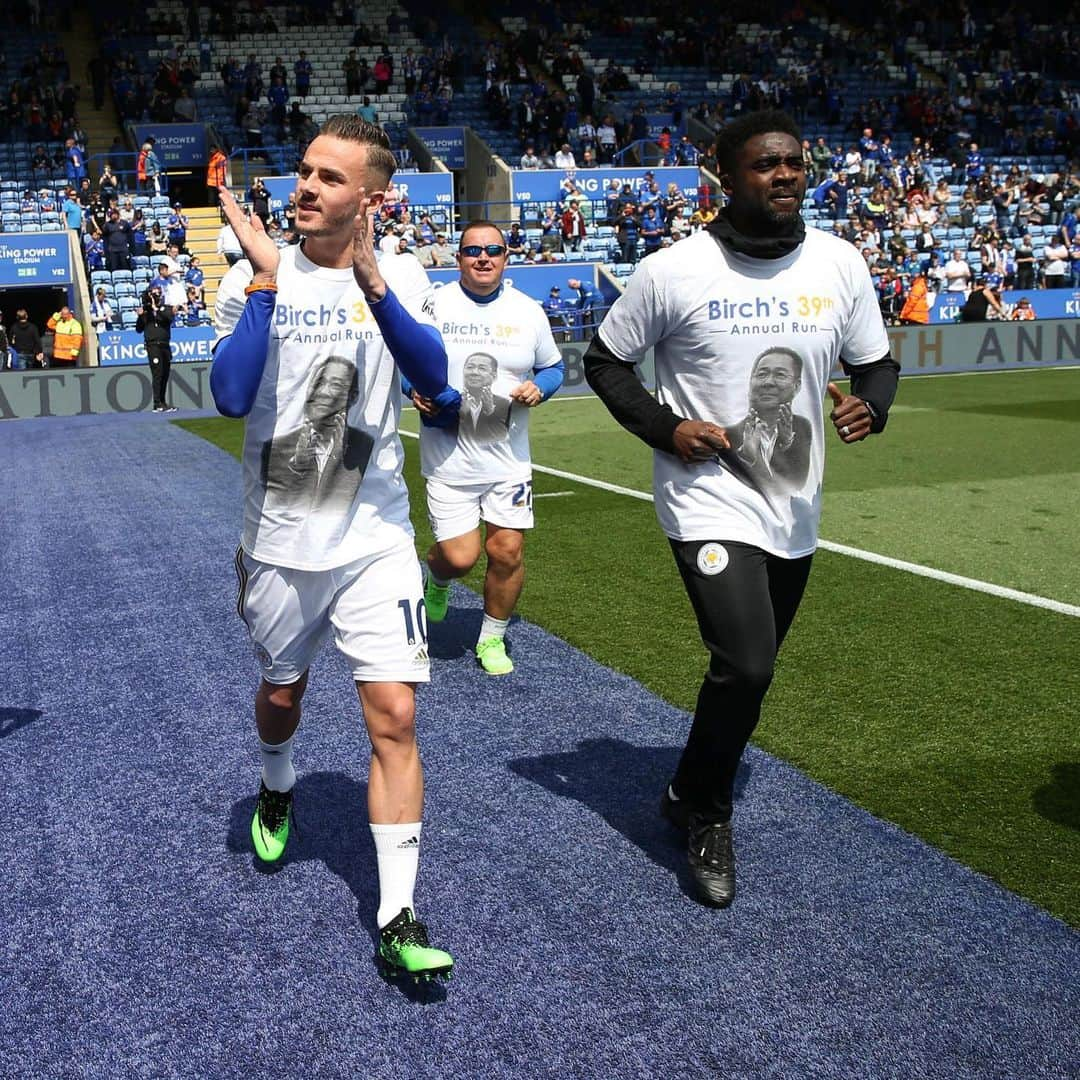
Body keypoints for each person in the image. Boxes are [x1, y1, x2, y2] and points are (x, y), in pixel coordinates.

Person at [583, 109, 898, 909]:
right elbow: (606, 361)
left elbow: (877, 362)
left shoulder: (840, 262)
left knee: (748, 678)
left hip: (794, 506)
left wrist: (872, 405)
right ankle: (710, 821)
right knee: (747, 662)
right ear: (723, 172)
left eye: (793, 161)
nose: (784, 174)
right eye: (764, 164)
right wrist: (668, 427)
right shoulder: (673, 270)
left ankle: (688, 788)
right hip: (707, 499)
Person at [209, 115, 456, 983]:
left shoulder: (407, 276)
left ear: (373, 199)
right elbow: (232, 394)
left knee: (394, 716)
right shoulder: (255, 273)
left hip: (376, 536)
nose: (305, 188)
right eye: (303, 172)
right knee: (283, 691)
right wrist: (268, 283)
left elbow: (438, 386)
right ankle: (278, 780)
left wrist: (378, 290)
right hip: (278, 541)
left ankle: (397, 915)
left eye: (328, 178)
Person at [406, 221, 564, 676]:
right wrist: (409, 388)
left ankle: (491, 638)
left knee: (508, 551)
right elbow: (404, 362)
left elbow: (552, 367)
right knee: (459, 557)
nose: (483, 257)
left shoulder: (528, 310)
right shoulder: (432, 306)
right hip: (449, 458)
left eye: (493, 250)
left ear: (505, 256)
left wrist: (541, 388)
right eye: (473, 250)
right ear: (458, 258)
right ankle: (437, 578)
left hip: (509, 459)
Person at [136, 285, 176, 411]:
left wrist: (156, 309)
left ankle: (163, 402)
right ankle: (157, 403)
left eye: (157, 295)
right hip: (153, 346)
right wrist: (141, 316)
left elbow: (168, 318)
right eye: (153, 295)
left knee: (165, 373)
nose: (155, 297)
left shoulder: (166, 309)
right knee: (157, 373)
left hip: (165, 344)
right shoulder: (146, 312)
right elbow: (139, 329)